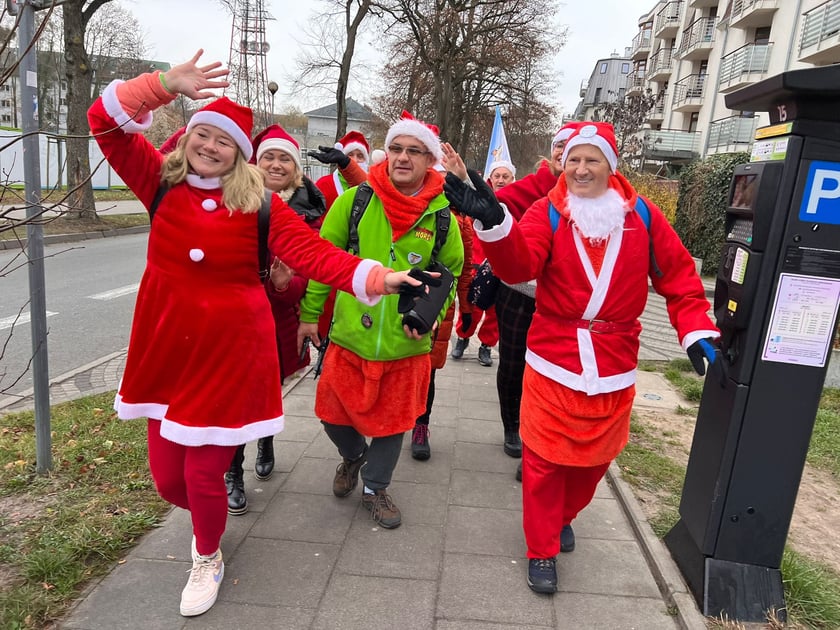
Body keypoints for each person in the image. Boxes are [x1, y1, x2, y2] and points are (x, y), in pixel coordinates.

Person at [87, 51, 432, 617]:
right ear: (187, 139)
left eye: (225, 141)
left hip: (231, 354)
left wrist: (380, 276)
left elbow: (317, 254)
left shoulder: (262, 206)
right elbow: (103, 122)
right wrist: (163, 84)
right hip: (168, 350)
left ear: (240, 155)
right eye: (203, 135)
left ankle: (207, 556)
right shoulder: (158, 183)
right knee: (171, 480)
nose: (210, 146)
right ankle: (207, 522)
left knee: (203, 472)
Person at [443, 121, 722, 594]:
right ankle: (542, 548)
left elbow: (677, 277)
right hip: (554, 356)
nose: (580, 168)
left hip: (615, 361)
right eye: (573, 159)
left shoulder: (644, 217)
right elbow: (519, 263)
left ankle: (563, 516)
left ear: (611, 167)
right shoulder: (546, 212)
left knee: (594, 462)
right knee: (545, 460)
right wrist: (494, 224)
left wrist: (695, 329)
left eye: (591, 159)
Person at [297, 111, 464, 529]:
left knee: (393, 424)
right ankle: (353, 456)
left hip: (405, 346)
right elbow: (323, 261)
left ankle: (375, 486)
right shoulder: (354, 202)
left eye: (414, 151)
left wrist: (429, 317)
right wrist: (310, 313)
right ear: (385, 153)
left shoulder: (443, 218)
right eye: (396, 148)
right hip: (349, 337)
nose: (403, 157)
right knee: (332, 416)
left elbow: (451, 275)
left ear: (430, 161)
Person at [224, 124, 329, 516]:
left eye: (284, 158)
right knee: (235, 396)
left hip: (280, 317)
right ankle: (232, 471)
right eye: (268, 156)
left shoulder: (310, 211)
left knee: (269, 387)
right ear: (255, 161)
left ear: (296, 169)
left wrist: (286, 284)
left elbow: (315, 268)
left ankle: (266, 439)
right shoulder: (233, 198)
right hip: (235, 318)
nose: (276, 164)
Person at [493, 122, 579, 468]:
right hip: (518, 293)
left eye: (571, 147)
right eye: (559, 146)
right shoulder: (532, 187)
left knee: (550, 373)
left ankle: (539, 440)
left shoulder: (591, 193)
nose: (563, 153)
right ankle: (513, 427)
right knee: (513, 365)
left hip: (563, 301)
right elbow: (495, 210)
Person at [410, 153, 475, 461]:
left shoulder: (456, 220)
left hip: (437, 306)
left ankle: (421, 425)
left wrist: (467, 308)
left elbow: (464, 269)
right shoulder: (400, 210)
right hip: (395, 299)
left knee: (427, 373)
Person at [450, 160, 514, 368]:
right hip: (478, 263)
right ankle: (463, 337)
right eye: (497, 176)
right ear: (491, 178)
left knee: (495, 312)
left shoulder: (518, 203)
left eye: (506, 176)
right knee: (472, 307)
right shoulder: (479, 199)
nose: (501, 180)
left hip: (503, 267)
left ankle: (486, 345)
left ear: (513, 179)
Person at [313, 130, 373, 208]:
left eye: (360, 156)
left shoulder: (373, 187)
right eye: (350, 155)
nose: (354, 160)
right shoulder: (323, 184)